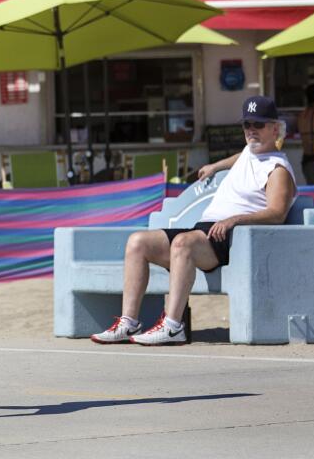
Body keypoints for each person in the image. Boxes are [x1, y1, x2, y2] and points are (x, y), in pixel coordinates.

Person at [90, 96, 297, 346]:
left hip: (233, 239)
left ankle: (172, 326)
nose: (251, 130)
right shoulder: (249, 153)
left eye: (259, 124)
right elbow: (240, 158)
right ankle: (128, 322)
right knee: (138, 242)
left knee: (182, 244)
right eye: (247, 124)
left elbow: (277, 213)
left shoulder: (278, 169)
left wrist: (234, 220)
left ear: (275, 128)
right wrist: (216, 166)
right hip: (205, 232)